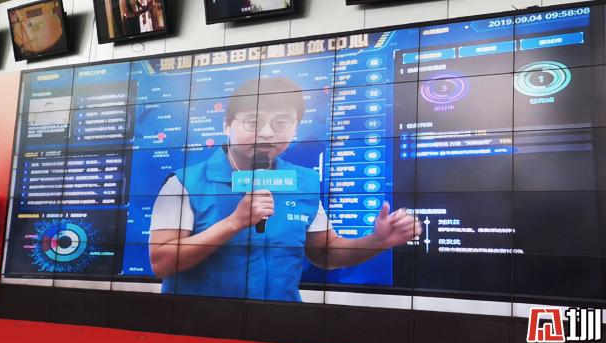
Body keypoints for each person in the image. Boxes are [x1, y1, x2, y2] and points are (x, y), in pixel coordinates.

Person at [149, 78, 422, 301]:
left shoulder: (304, 182)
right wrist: (234, 222)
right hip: (199, 329)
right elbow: (161, 262)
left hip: (281, 324)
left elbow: (325, 253)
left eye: (281, 123)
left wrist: (377, 240)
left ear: (296, 128)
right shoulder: (184, 183)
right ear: (226, 125)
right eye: (253, 123)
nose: (267, 133)